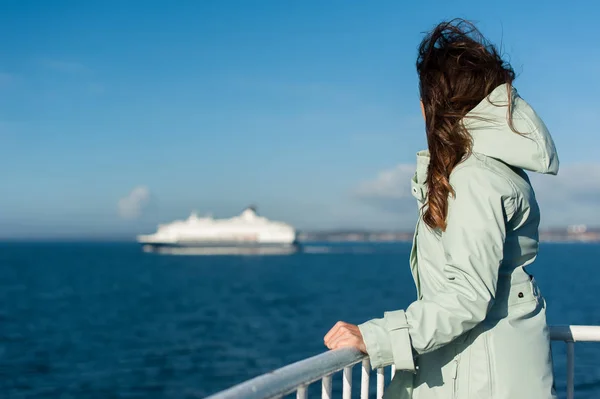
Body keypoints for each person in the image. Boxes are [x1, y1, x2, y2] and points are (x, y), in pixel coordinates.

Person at [323, 19, 558, 399]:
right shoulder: (495, 168)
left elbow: (468, 294)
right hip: (497, 372)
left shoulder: (474, 178)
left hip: (483, 382)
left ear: (429, 107)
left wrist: (378, 336)